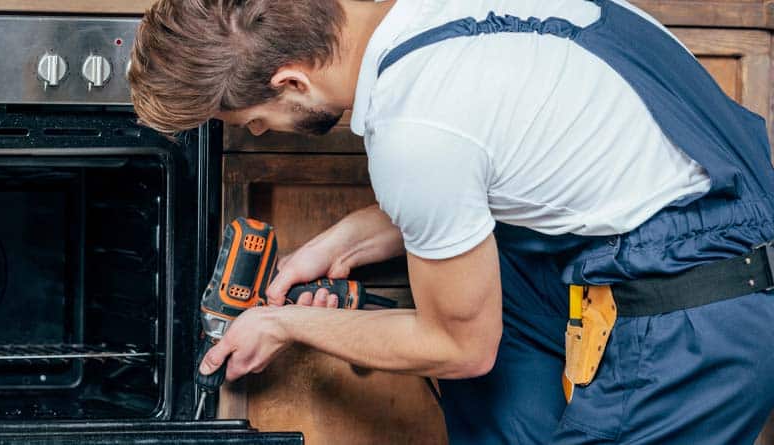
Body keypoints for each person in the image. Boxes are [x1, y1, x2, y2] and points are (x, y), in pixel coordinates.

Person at [128, 0, 774, 443]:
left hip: (696, 322)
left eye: (254, 120)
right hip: (704, 229)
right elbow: (510, 155)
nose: (263, 130)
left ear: (292, 81)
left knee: (455, 338)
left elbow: (463, 349)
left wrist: (289, 323)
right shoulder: (437, 16)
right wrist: (356, 231)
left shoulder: (415, 127)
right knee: (484, 322)